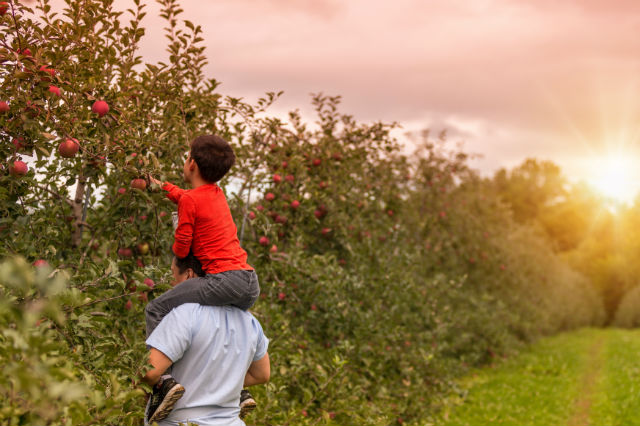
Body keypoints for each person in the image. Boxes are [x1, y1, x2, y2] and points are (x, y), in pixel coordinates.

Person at [146, 135, 261, 419]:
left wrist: (177, 253)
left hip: (223, 279)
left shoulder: (190, 200)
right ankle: (237, 388)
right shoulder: (216, 194)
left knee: (156, 308)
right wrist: (162, 188)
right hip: (249, 282)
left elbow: (184, 241)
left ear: (191, 164)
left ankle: (163, 383)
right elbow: (185, 197)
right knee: (227, 330)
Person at [142, 253, 270, 425]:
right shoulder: (250, 322)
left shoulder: (184, 314)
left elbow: (150, 372)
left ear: (189, 275)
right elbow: (262, 374)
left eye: (172, 274)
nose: (170, 285)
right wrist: (224, 383)